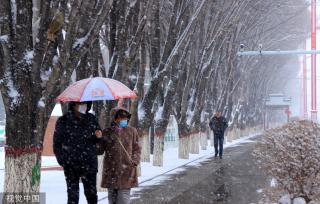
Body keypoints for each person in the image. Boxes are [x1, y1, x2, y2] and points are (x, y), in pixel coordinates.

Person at [53, 101, 102, 204]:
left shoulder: (92, 119)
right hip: (71, 164)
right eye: (80, 103)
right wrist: (62, 160)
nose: (83, 106)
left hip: (89, 163)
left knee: (91, 194)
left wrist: (98, 137)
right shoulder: (63, 120)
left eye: (85, 103)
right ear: (73, 105)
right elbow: (57, 143)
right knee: (73, 196)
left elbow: (98, 139)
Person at [97, 107, 141, 204]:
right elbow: (99, 151)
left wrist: (135, 160)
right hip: (111, 171)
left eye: (125, 118)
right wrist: (99, 139)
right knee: (112, 200)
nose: (124, 120)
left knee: (123, 199)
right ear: (114, 119)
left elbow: (137, 149)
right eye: (121, 118)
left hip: (127, 170)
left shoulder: (132, 131)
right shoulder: (107, 132)